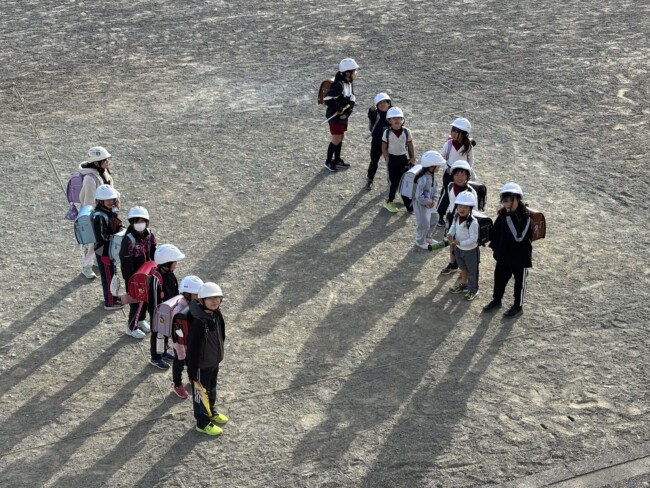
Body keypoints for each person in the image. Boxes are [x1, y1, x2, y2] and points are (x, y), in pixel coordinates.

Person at [483, 183, 533, 318]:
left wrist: (510, 215)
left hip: (520, 257)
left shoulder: (526, 216)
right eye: (505, 200)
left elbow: (519, 237)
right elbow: (496, 231)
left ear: (518, 199)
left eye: (511, 200)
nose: (508, 203)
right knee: (499, 279)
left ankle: (518, 306)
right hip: (504, 254)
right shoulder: (504, 214)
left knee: (519, 283)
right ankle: (496, 300)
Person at [187, 282, 228, 436]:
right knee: (200, 395)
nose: (215, 301)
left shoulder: (216, 313)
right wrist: (192, 374)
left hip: (213, 361)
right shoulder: (198, 322)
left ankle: (211, 411)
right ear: (201, 300)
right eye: (210, 298)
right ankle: (202, 423)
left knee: (211, 388)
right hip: (200, 366)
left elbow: (222, 333)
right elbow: (192, 350)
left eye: (217, 297)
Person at [119, 206, 157, 339]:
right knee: (135, 302)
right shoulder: (128, 239)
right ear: (131, 222)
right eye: (137, 221)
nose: (140, 224)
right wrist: (131, 280)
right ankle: (131, 327)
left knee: (146, 299)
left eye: (142, 221)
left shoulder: (150, 234)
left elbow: (154, 251)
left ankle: (140, 320)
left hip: (147, 274)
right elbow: (125, 262)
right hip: (134, 278)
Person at [78, 146, 114, 279]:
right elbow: (88, 202)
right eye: (105, 160)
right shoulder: (90, 178)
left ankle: (94, 261)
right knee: (91, 242)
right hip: (94, 215)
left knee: (101, 240)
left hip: (104, 212)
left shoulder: (103, 172)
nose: (108, 162)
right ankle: (85, 265)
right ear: (97, 162)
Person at [148, 244, 185, 370]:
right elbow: (154, 302)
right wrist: (157, 317)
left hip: (168, 311)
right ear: (167, 263)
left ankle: (163, 351)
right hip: (159, 313)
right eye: (174, 262)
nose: (176, 264)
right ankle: (155, 357)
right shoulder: (156, 279)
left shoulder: (170, 274)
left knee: (165, 333)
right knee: (157, 333)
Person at [439, 160, 478, 275]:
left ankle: (464, 268)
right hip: (452, 217)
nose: (459, 178)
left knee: (464, 243)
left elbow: (475, 209)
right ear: (452, 175)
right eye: (456, 174)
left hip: (465, 220)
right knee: (452, 241)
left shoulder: (471, 191)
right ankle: (453, 264)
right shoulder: (450, 186)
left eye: (463, 174)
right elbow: (449, 201)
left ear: (467, 176)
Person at [436, 118, 476, 227]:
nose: (453, 133)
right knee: (447, 194)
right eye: (452, 130)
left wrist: (468, 171)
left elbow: (471, 160)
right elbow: (441, 157)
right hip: (450, 173)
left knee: (459, 194)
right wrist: (446, 167)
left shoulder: (468, 146)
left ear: (464, 133)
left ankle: (456, 214)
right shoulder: (449, 144)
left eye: (456, 131)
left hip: (462, 175)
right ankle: (439, 214)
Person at [170, 275, 204, 399]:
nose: (199, 297)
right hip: (180, 343)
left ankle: (191, 378)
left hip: (190, 341)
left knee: (192, 362)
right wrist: (180, 350)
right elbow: (176, 332)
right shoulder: (179, 310)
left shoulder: (194, 305)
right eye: (196, 294)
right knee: (179, 362)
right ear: (187, 294)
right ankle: (177, 384)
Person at [323, 58, 359, 172]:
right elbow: (327, 98)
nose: (356, 73)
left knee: (341, 137)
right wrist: (339, 108)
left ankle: (337, 160)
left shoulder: (349, 83)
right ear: (347, 73)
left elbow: (352, 98)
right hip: (334, 117)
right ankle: (328, 161)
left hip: (342, 117)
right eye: (354, 71)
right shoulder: (339, 85)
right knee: (336, 139)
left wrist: (347, 112)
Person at [92, 184, 123, 310]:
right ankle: (110, 302)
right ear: (101, 201)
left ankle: (112, 297)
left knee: (112, 275)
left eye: (112, 199)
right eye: (108, 200)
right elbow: (101, 237)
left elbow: (117, 224)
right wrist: (117, 236)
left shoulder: (109, 211)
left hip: (110, 250)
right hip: (104, 252)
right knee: (108, 277)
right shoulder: (99, 216)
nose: (111, 201)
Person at [447, 191, 480, 301]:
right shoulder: (457, 216)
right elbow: (453, 226)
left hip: (470, 251)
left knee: (472, 271)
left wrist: (460, 243)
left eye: (466, 207)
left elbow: (473, 239)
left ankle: (473, 289)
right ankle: (464, 284)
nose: (462, 209)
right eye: (460, 206)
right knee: (463, 268)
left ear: (470, 208)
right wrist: (450, 233)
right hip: (459, 249)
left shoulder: (473, 222)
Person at [382, 107, 415, 213]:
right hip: (392, 159)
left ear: (402, 119)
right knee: (394, 182)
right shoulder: (387, 132)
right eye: (393, 118)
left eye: (399, 118)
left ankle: (408, 204)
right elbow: (383, 146)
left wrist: (412, 157)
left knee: (405, 181)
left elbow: (410, 144)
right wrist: (387, 158)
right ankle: (389, 201)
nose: (396, 120)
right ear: (389, 121)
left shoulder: (406, 131)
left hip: (403, 159)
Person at [413, 151, 446, 249]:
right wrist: (428, 202)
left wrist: (434, 199)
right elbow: (419, 196)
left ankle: (427, 237)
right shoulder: (422, 179)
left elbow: (435, 189)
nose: (439, 168)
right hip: (421, 204)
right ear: (431, 167)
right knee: (424, 223)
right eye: (438, 166)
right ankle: (420, 240)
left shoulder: (432, 176)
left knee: (434, 218)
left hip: (430, 203)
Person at [365, 92, 392, 190]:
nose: (382, 105)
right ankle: (370, 179)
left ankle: (391, 181)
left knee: (390, 162)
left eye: (384, 102)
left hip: (390, 143)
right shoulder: (376, 114)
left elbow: (400, 122)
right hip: (377, 142)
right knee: (374, 161)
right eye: (379, 103)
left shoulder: (393, 113)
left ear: (388, 103)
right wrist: (372, 110)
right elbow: (371, 115)